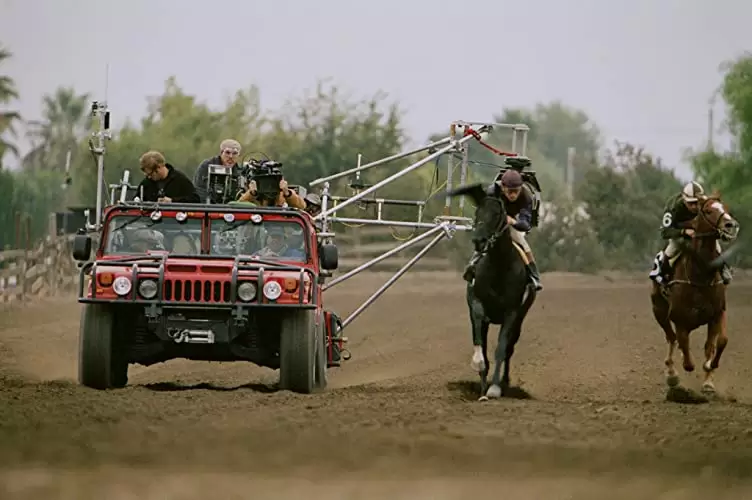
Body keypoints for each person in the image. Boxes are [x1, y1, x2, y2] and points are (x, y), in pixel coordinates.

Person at [462, 169, 543, 291]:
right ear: (503, 187)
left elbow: (526, 224)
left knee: (523, 245)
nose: (513, 195)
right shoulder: (492, 191)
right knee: (484, 239)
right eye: (510, 191)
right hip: (494, 222)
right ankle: (472, 265)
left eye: (516, 191)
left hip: (511, 224)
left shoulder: (526, 198)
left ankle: (533, 275)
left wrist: (513, 221)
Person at [649, 180, 733, 285]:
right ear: (684, 200)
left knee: (716, 247)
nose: (694, 207)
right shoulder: (673, 207)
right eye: (691, 203)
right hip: (679, 233)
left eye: (697, 203)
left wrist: (721, 232)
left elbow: (714, 224)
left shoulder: (707, 205)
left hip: (700, 234)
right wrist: (684, 232)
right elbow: (665, 232)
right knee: (671, 249)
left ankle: (724, 268)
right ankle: (661, 272)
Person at [193, 139, 243, 203]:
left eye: (235, 153)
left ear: (238, 155)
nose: (231, 156)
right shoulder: (207, 165)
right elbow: (199, 189)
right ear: (221, 153)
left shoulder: (240, 171)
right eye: (227, 152)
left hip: (230, 208)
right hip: (207, 206)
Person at [237, 177, 307, 209]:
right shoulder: (253, 196)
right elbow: (238, 207)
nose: (269, 186)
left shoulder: (283, 195)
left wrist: (287, 193)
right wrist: (252, 193)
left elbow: (302, 206)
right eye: (265, 183)